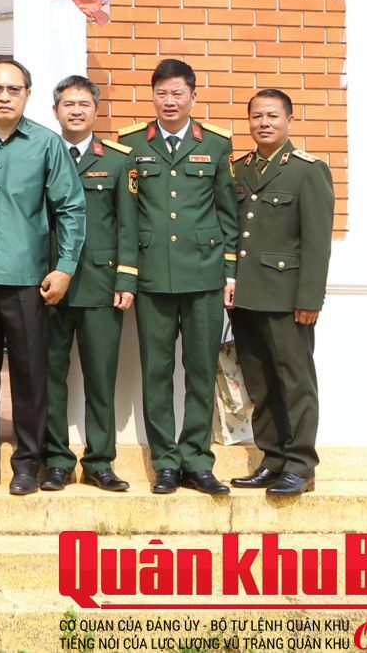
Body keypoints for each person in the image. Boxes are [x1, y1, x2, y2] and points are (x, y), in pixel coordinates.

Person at [0, 59, 85, 495]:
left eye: (14, 89)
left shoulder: (46, 144)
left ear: (27, 94)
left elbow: (71, 209)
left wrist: (64, 268)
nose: (5, 97)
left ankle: (28, 463)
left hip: (29, 279)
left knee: (29, 376)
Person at [117, 59, 238, 497]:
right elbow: (126, 215)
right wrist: (127, 274)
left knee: (201, 371)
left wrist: (230, 271)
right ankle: (166, 462)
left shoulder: (217, 144)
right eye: (162, 93)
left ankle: (198, 460)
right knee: (157, 372)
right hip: (152, 276)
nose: (169, 101)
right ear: (152, 96)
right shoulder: (131, 144)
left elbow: (227, 211)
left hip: (204, 274)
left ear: (192, 96)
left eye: (177, 93)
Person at [228, 89, 333, 498]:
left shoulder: (308, 170)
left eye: (272, 115)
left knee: (295, 381)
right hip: (246, 297)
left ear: (289, 120)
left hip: (288, 298)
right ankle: (272, 459)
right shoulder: (240, 169)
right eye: (257, 116)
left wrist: (310, 299)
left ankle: (301, 465)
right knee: (261, 383)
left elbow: (317, 244)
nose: (264, 123)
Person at [41, 76, 138, 494]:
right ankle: (56, 459)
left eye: (83, 104)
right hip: (48, 285)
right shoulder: (42, 154)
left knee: (101, 377)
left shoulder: (116, 160)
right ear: (55, 111)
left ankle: (100, 460)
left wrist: (126, 276)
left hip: (100, 283)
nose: (76, 111)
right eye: (68, 104)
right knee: (49, 377)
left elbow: (127, 223)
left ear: (96, 111)